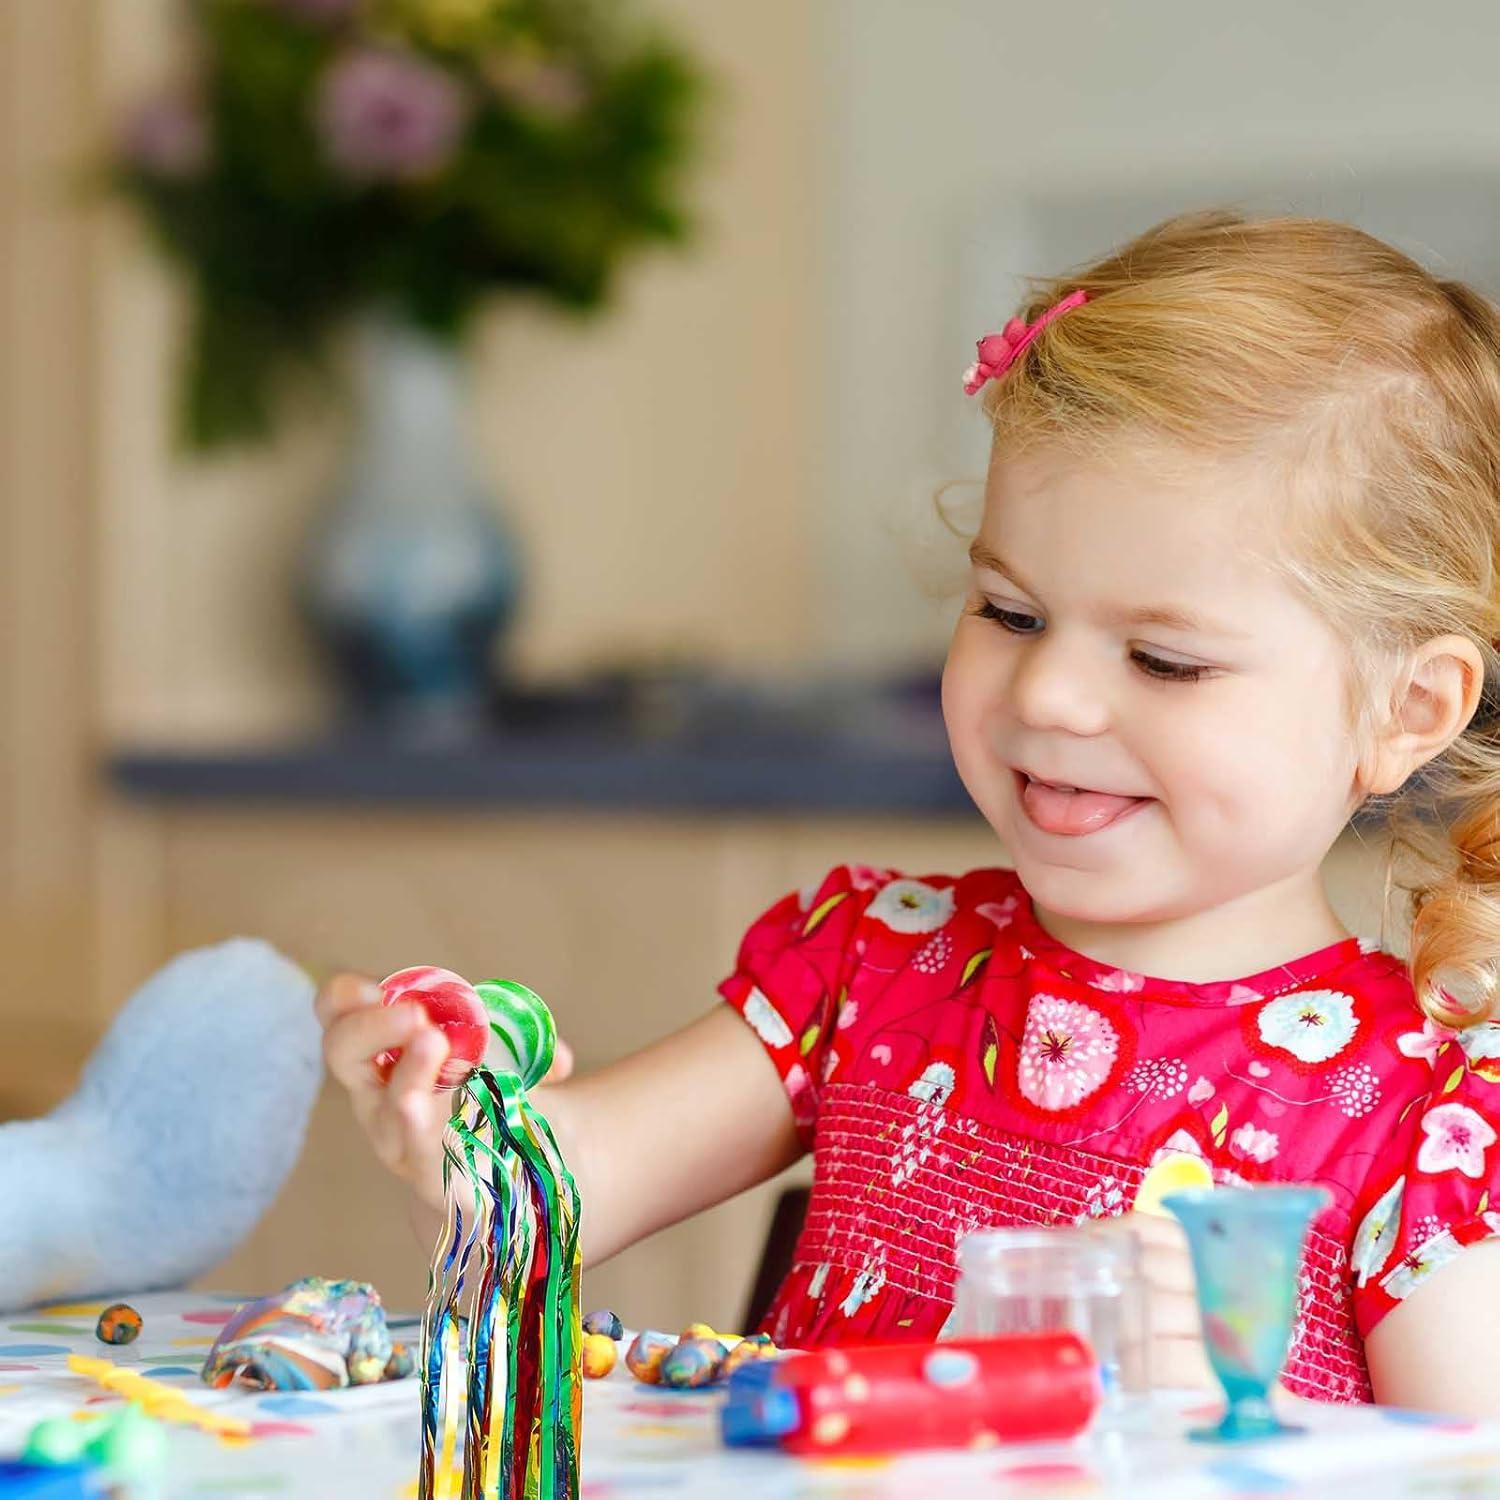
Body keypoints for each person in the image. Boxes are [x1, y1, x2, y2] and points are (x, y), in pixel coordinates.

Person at [318, 211, 1500, 1415]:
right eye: (1011, 613)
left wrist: (1229, 1423)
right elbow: (537, 1212)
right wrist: (453, 1130)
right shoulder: (878, 961)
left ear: (1409, 709)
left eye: (1163, 659)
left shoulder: (1425, 1126)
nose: (1048, 694)